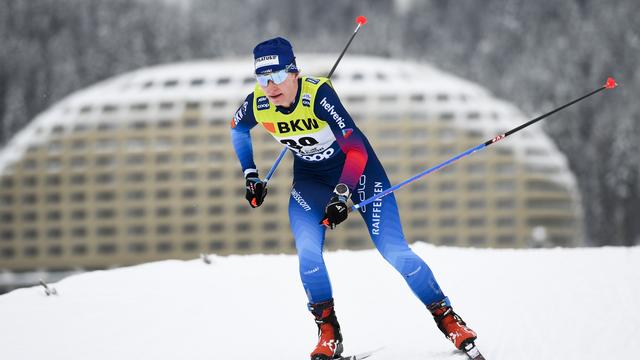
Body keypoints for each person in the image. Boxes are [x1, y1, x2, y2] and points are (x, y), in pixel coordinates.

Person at [230, 37, 478, 360]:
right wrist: (251, 174)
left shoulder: (318, 95)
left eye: (276, 76)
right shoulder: (258, 104)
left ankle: (447, 318)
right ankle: (328, 332)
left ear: (294, 73)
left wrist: (343, 193)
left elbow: (356, 149)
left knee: (395, 251)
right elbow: (237, 129)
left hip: (360, 175)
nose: (270, 87)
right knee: (307, 253)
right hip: (311, 181)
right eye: (262, 79)